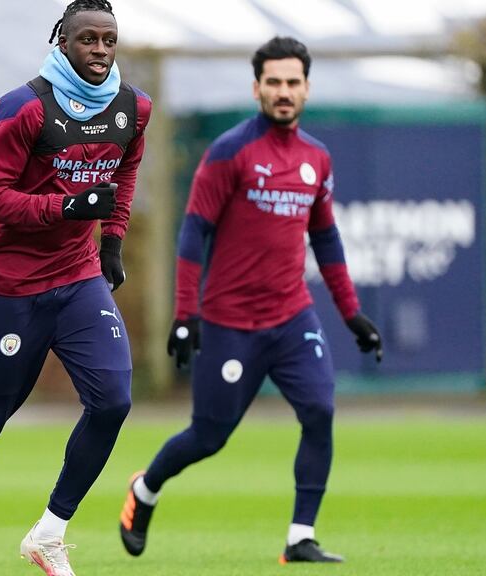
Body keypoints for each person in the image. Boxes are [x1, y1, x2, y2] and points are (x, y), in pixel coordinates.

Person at [119, 36, 382, 565]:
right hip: (230, 322)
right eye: (274, 82)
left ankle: (299, 538)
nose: (284, 92)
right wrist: (185, 316)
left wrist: (352, 314)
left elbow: (325, 238)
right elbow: (193, 234)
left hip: (291, 318)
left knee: (319, 409)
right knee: (209, 436)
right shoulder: (230, 152)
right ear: (257, 87)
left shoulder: (317, 159)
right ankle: (145, 489)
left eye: (293, 83)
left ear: (307, 88)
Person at [0, 2, 152, 575]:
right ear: (61, 42)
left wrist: (112, 239)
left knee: (113, 400)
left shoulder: (134, 108)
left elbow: (124, 169)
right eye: (88, 39)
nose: (101, 50)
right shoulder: (22, 109)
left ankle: (49, 533)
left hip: (78, 278)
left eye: (109, 39)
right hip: (10, 284)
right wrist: (69, 205)